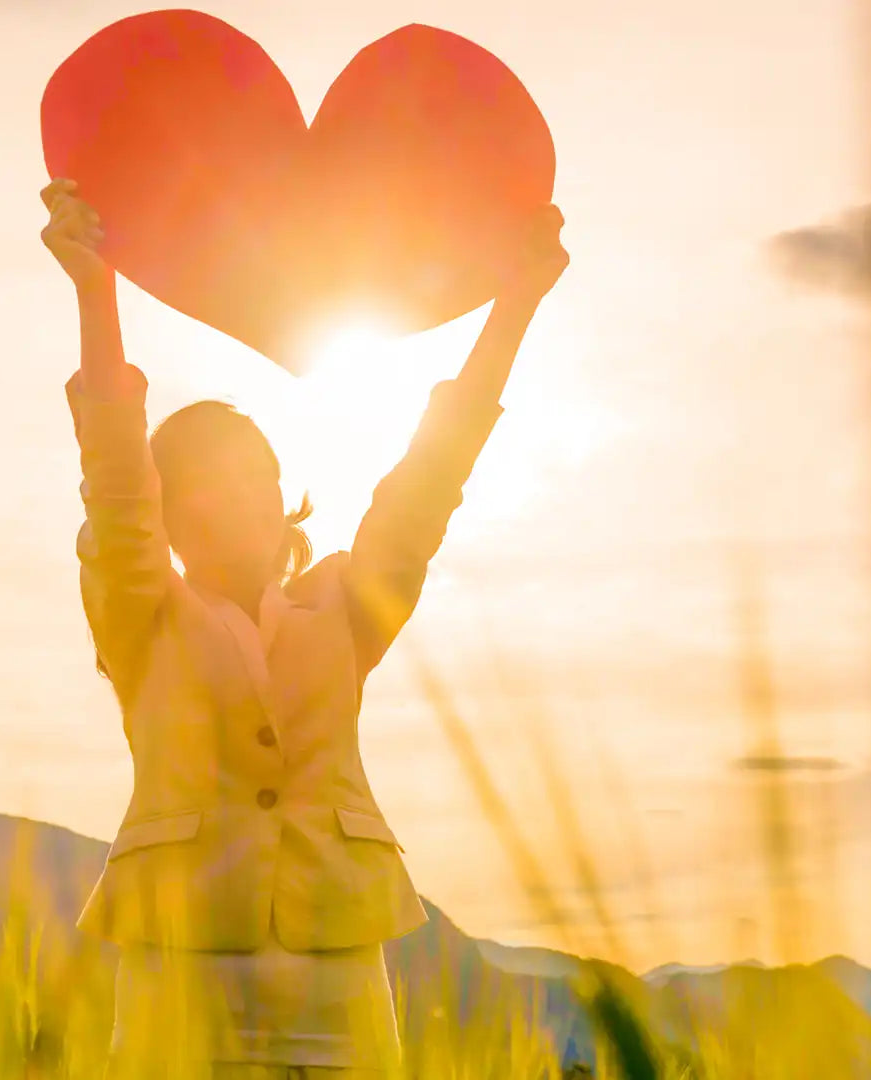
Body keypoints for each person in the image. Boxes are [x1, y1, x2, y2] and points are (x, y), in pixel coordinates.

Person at [39, 177, 568, 1080]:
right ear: (167, 517)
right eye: (197, 485)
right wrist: (96, 290)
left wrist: (515, 304)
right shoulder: (140, 616)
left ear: (284, 497)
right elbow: (116, 480)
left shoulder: (344, 609)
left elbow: (428, 484)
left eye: (250, 475)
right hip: (180, 962)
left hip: (336, 968)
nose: (228, 498)